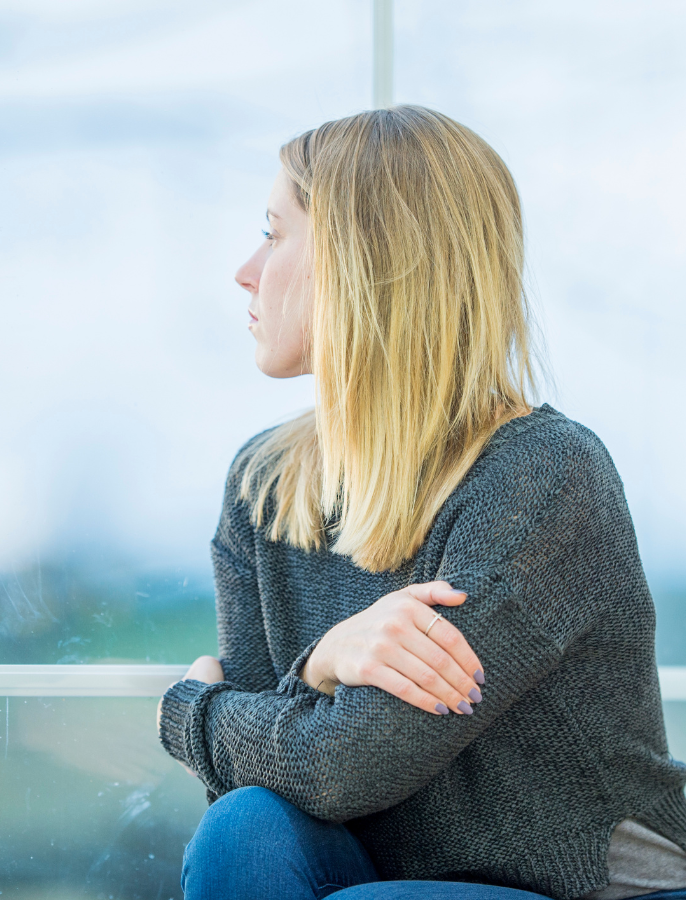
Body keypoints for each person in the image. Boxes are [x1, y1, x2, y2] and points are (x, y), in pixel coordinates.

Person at [156, 106, 686, 900]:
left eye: (273, 233)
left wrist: (190, 713)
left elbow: (340, 766)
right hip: (383, 875)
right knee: (247, 830)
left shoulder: (542, 477)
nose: (245, 270)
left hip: (587, 888)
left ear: (359, 261)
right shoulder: (266, 485)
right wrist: (327, 661)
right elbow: (256, 778)